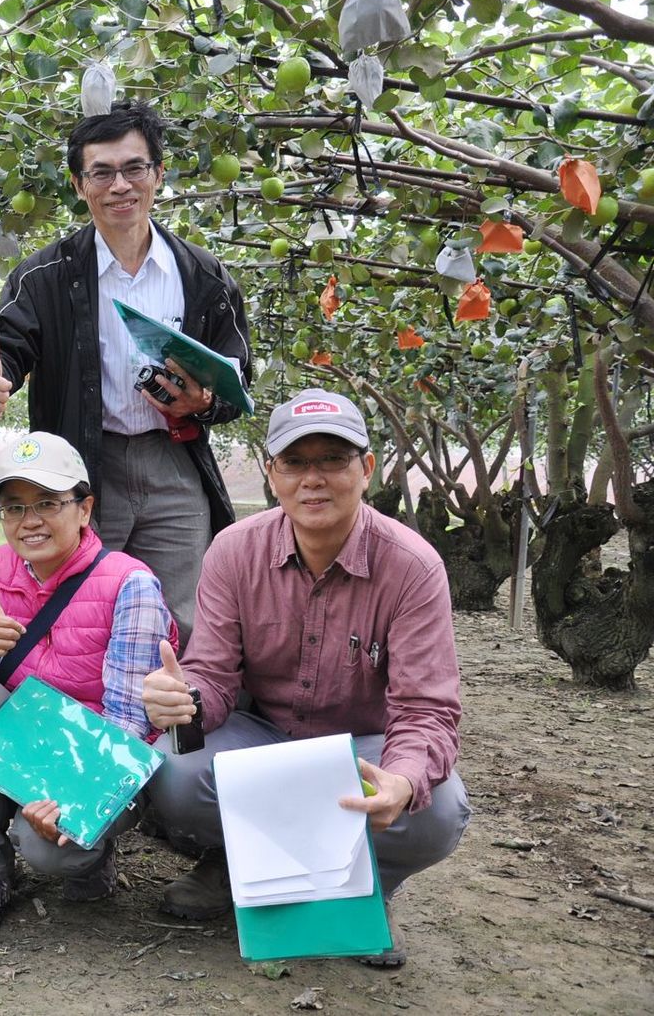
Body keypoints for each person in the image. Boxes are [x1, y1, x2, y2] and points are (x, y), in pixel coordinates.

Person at [142, 388, 470, 968]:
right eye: (294, 462)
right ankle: (236, 865)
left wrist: (401, 778)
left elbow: (426, 710)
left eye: (332, 460)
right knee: (176, 772)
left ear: (366, 469)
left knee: (436, 808)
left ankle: (366, 889)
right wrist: (186, 698)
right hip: (265, 734)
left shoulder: (413, 568)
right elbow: (214, 675)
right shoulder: (233, 551)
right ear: (272, 475)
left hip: (360, 748)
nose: (312, 480)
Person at [0, 100, 250, 645]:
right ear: (78, 183)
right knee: (78, 611)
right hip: (84, 469)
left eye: (134, 168)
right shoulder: (45, 274)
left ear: (158, 174)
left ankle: (172, 728)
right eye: (102, 172)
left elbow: (236, 373)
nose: (121, 185)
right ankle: (85, 722)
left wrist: (204, 402)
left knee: (182, 615)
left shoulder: (203, 275)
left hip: (173, 463)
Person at [0, 431, 176, 932]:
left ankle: (92, 850)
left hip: (92, 755)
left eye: (47, 503)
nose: (30, 521)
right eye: (14, 508)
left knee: (49, 850)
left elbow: (128, 725)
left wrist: (71, 796)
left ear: (84, 509)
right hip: (22, 748)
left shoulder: (130, 584)